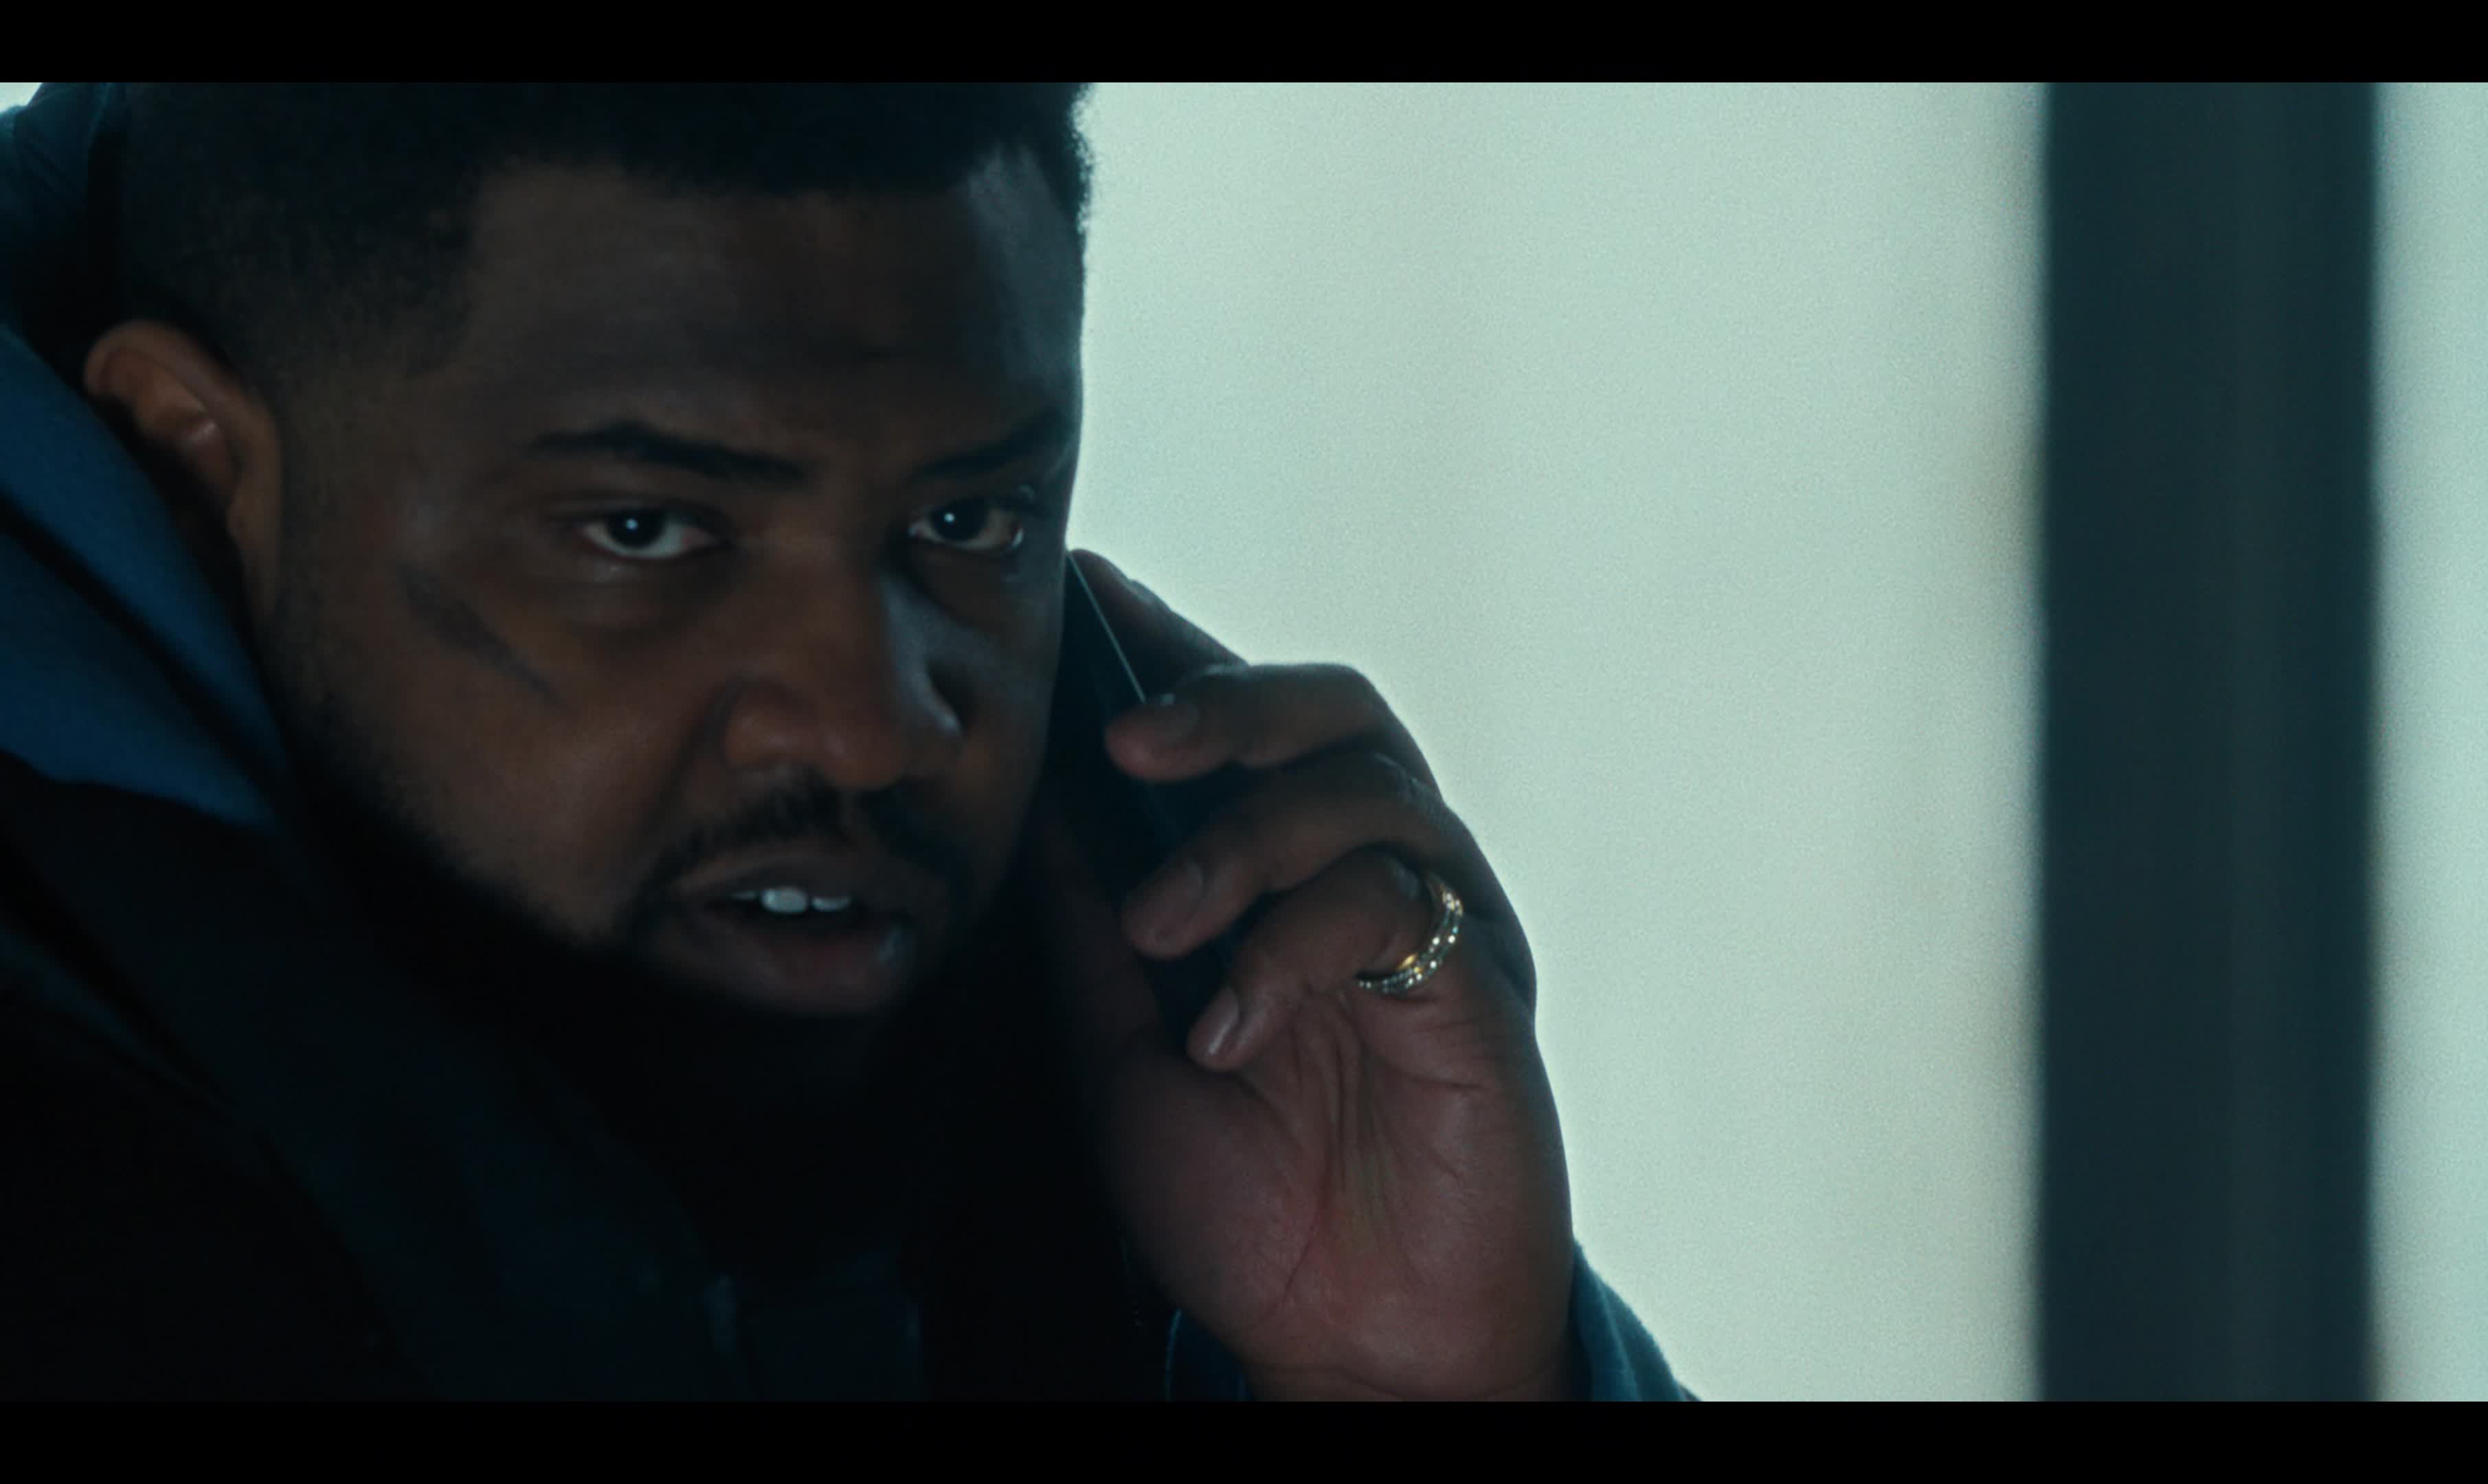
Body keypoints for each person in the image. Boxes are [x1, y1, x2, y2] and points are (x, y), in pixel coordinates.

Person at [0, 82, 1686, 1399]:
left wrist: (1427, 1384)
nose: (877, 729)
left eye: (969, 520)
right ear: (193, 468)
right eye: (648, 532)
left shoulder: (1171, 1113)